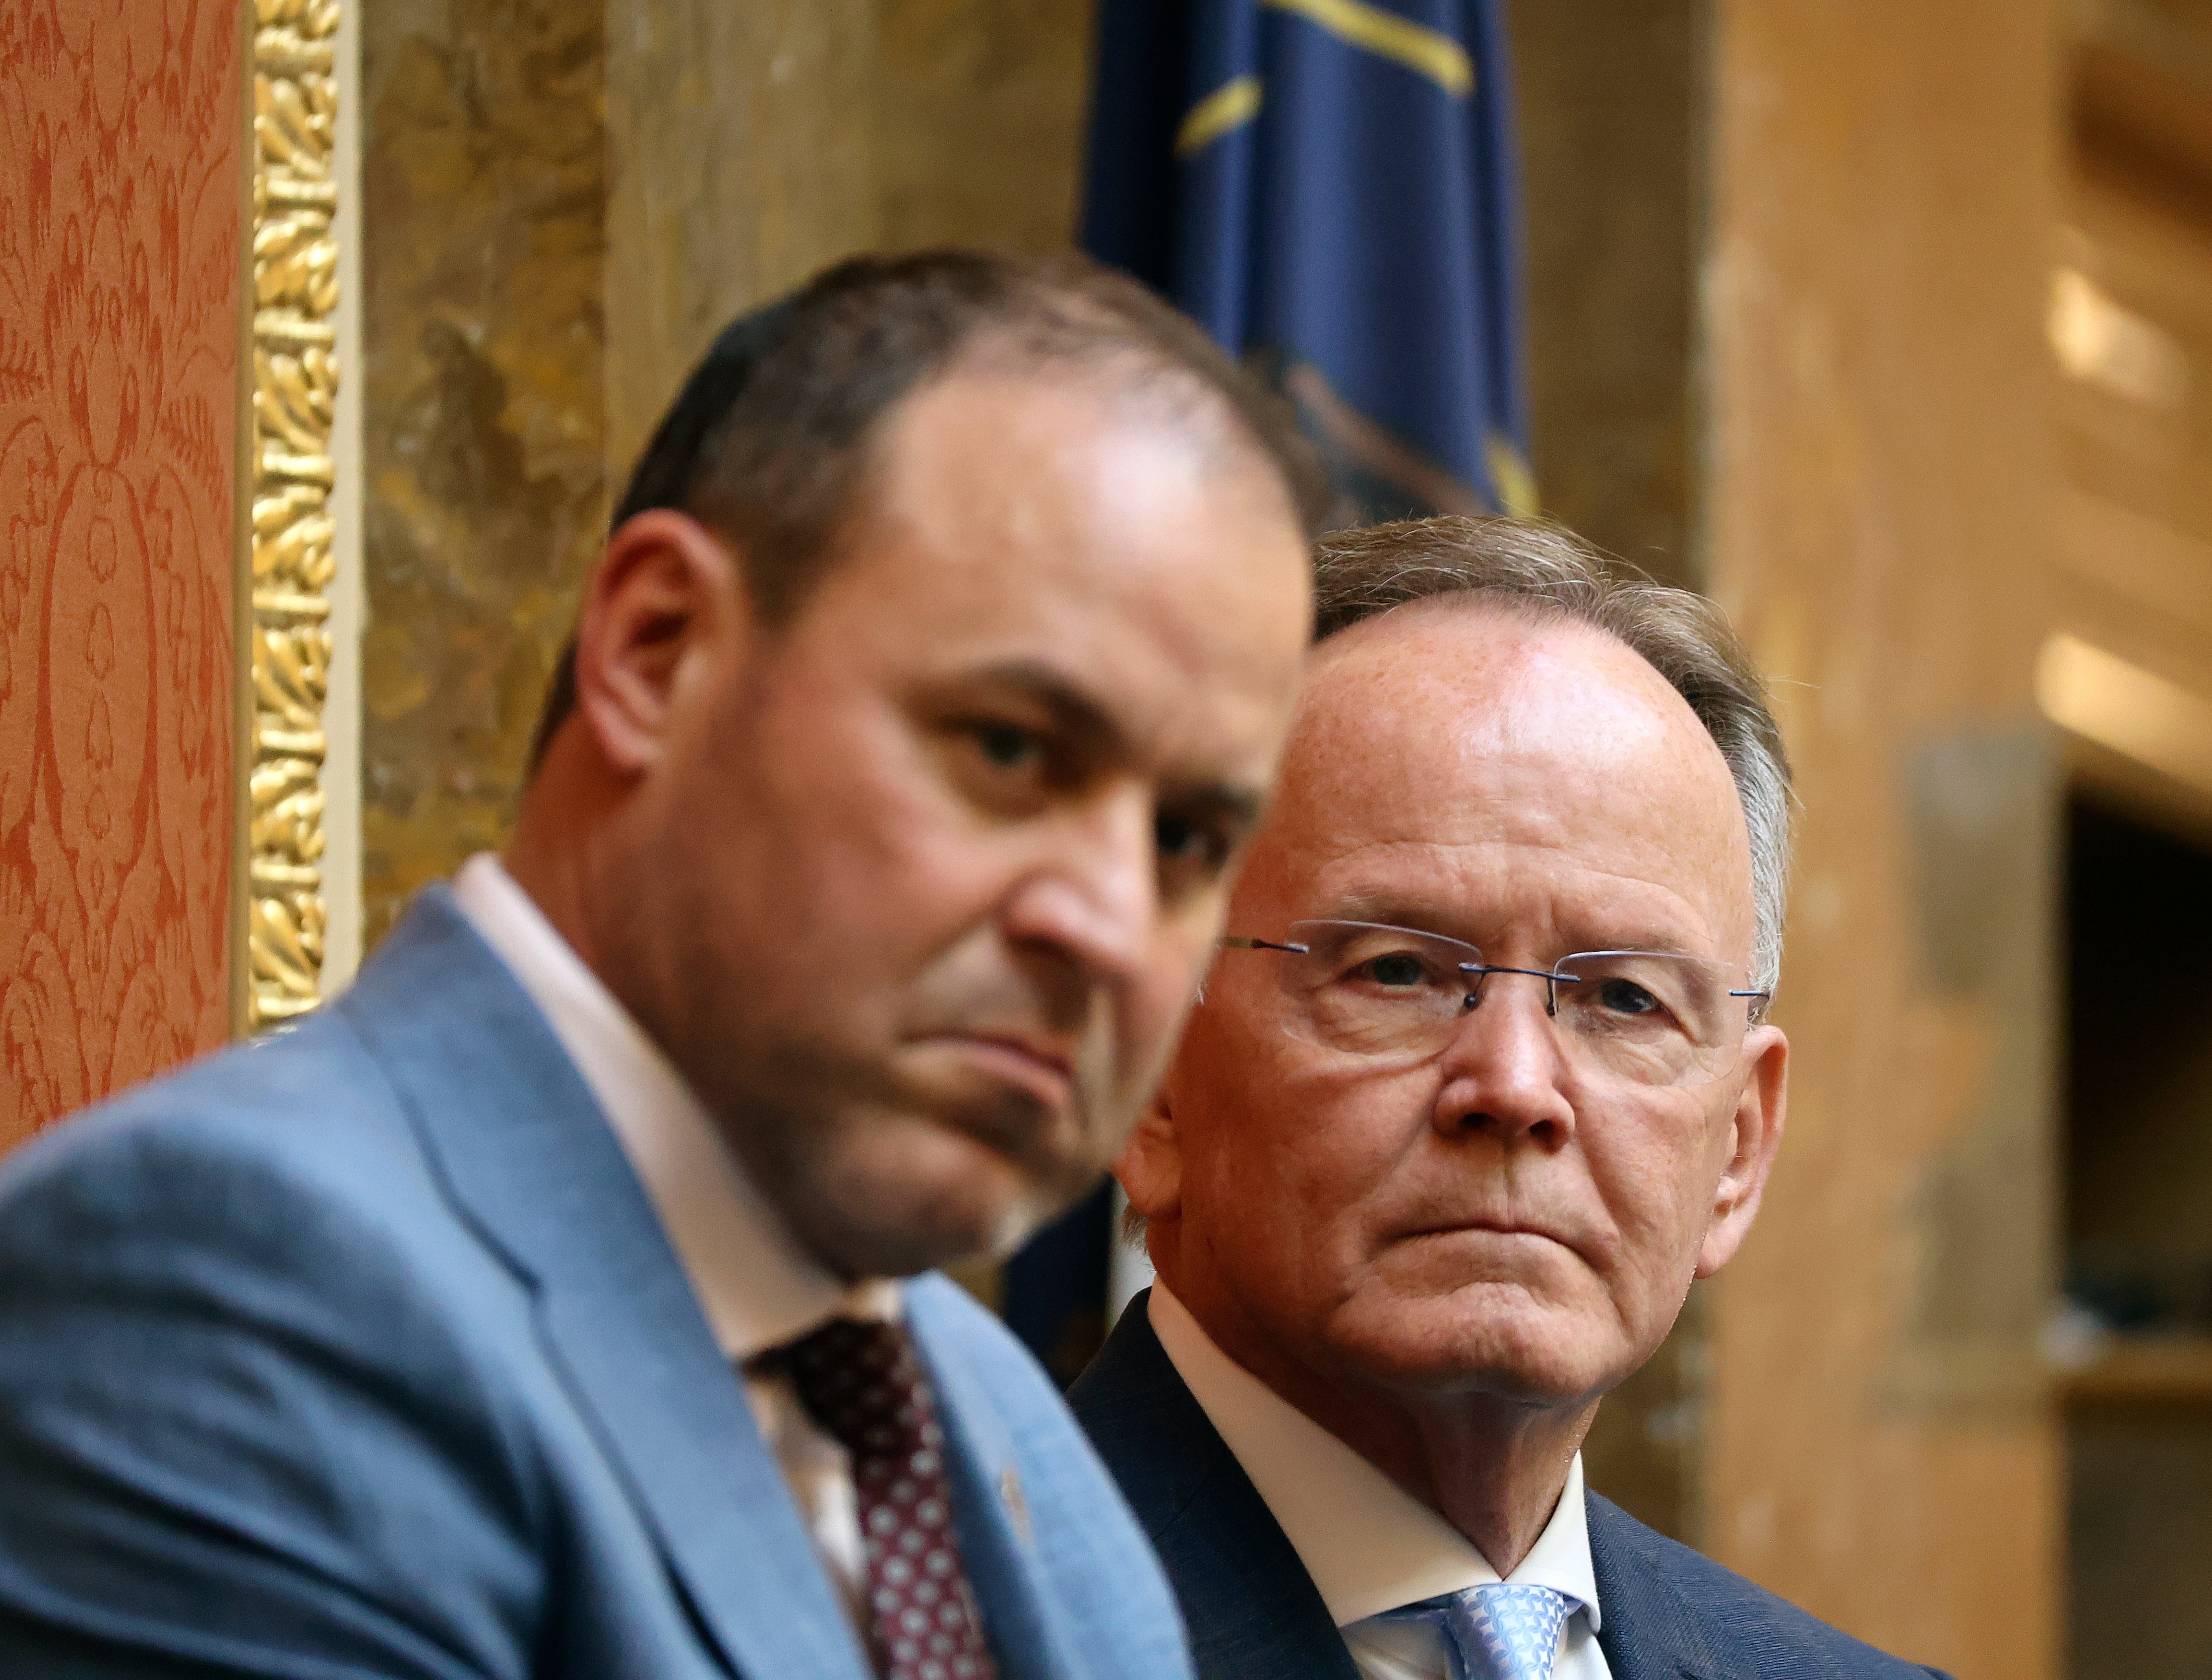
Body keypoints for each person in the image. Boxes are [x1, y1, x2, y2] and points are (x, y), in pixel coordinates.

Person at [0, 250, 1324, 1680]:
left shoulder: (1001, 1425)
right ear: (654, 648)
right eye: (1007, 748)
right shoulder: (226, 1282)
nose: (1112, 923)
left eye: (1191, 837)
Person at [1070, 517, 1954, 1680]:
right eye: (1397, 969)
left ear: (1737, 1147)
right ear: (1149, 1085)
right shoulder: (903, 1630)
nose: (1516, 1085)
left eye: (1626, 999)